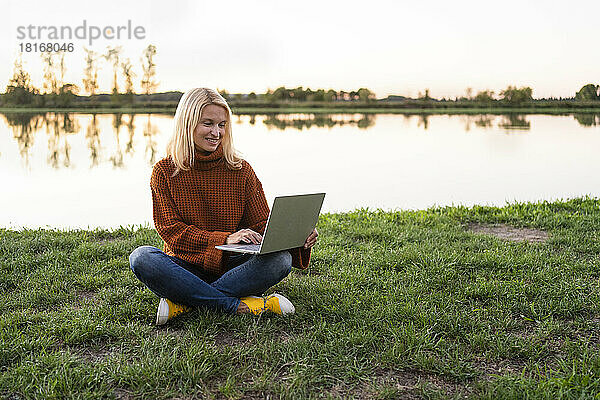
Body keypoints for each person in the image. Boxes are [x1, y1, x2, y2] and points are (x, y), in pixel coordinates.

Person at [129, 88, 318, 325]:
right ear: (187, 123)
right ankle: (245, 305)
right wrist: (225, 238)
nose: (216, 132)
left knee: (280, 260)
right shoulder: (165, 171)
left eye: (222, 125)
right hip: (185, 263)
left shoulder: (241, 170)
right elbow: (171, 231)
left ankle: (184, 300)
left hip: (233, 265)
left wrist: (295, 235)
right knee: (142, 257)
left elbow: (261, 223)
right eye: (207, 123)